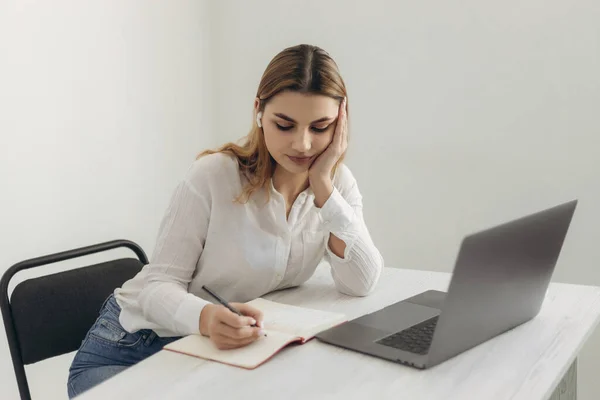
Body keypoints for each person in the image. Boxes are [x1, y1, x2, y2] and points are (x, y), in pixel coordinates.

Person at [67, 43, 384, 398]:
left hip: (213, 355)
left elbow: (362, 281)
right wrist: (205, 318)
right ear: (259, 112)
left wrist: (323, 185)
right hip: (129, 350)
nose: (303, 144)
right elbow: (157, 286)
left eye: (320, 127)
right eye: (285, 125)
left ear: (340, 124)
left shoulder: (335, 184)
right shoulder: (213, 177)